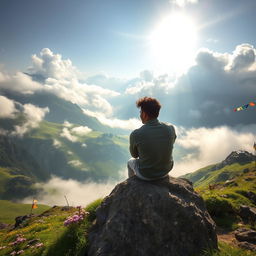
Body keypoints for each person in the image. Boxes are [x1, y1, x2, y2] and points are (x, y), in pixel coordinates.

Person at [128, 97, 176, 181]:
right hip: (165, 172)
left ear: (144, 114)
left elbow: (134, 155)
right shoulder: (170, 128)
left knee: (130, 162)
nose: (140, 115)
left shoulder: (136, 134)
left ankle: (132, 184)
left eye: (140, 112)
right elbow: (171, 142)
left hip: (146, 175)